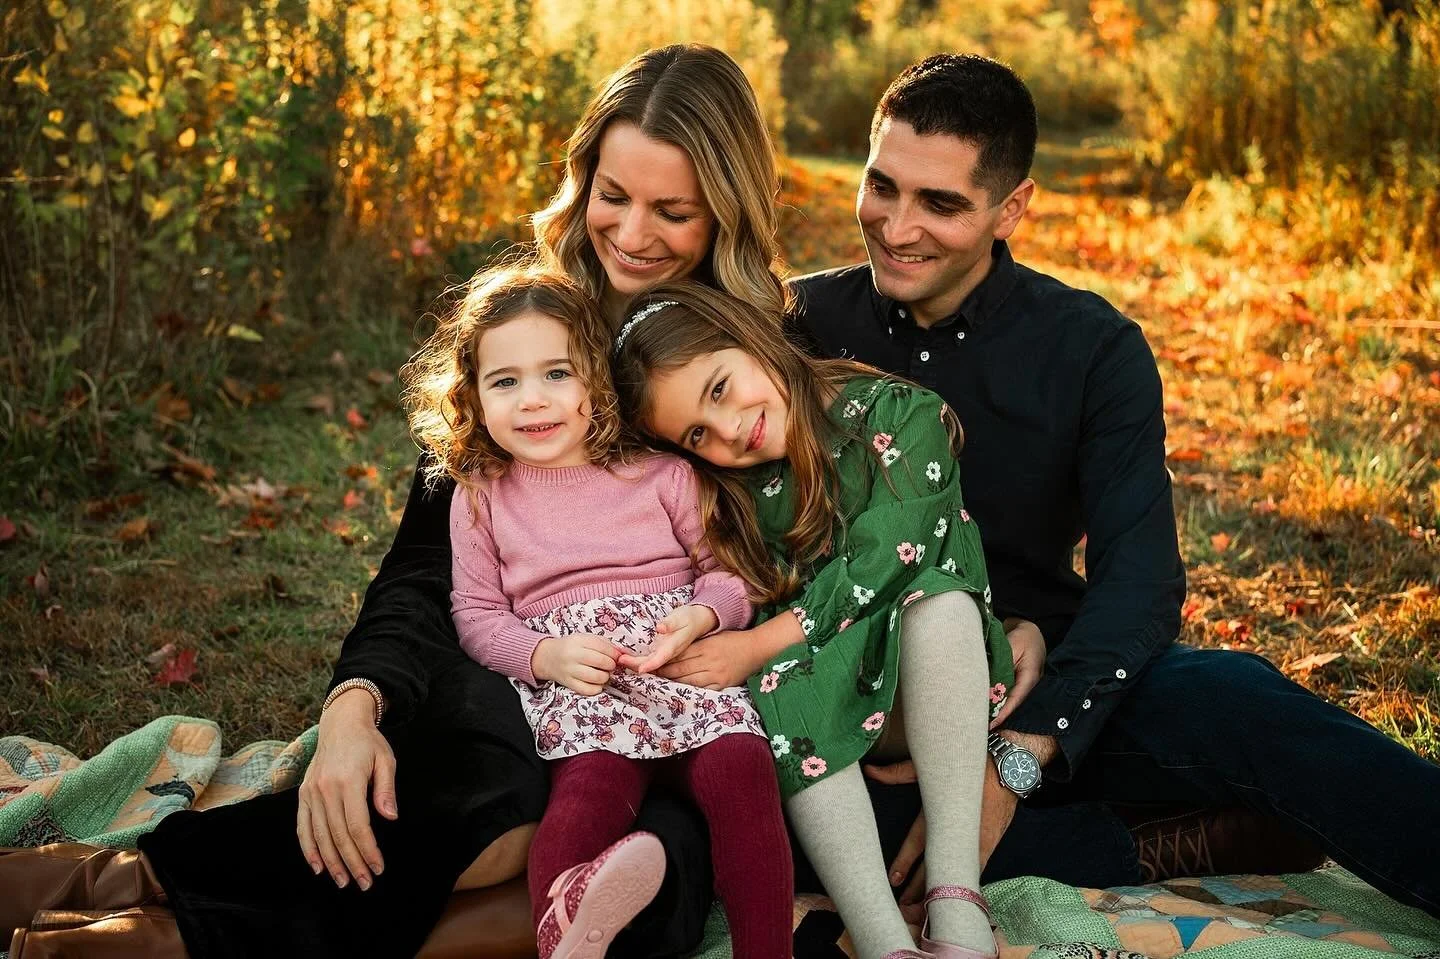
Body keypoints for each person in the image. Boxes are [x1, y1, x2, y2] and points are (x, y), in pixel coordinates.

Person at [3, 43, 814, 958]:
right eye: (611, 195)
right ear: (581, 179)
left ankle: (154, 936)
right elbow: (428, 569)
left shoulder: (752, 362)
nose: (630, 234)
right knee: (483, 803)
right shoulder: (528, 330)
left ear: (730, 212)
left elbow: (849, 530)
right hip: (525, 668)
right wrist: (356, 705)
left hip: (687, 697)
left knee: (654, 869)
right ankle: (112, 890)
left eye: (674, 211)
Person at [782, 53, 1439, 918]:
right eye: (883, 187)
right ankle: (1162, 842)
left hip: (1048, 685)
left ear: (1011, 208)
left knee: (1239, 698)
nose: (897, 226)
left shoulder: (1093, 350)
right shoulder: (793, 328)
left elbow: (1140, 581)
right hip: (853, 703)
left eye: (941, 203)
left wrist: (1019, 752)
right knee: (804, 816)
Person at [612, 281, 1015, 959]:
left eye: (719, 389)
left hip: (935, 689)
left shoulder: (899, 413)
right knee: (776, 682)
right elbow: (738, 587)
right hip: (824, 701)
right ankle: (887, 941)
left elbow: (889, 555)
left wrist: (760, 641)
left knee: (937, 602)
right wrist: (707, 622)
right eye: (697, 435)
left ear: (750, 334)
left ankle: (956, 893)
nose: (730, 428)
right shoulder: (736, 492)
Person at [421, 261, 792, 957]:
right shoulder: (482, 494)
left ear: (598, 376)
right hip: (586, 685)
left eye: (558, 373)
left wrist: (703, 617)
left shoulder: (663, 474)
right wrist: (542, 655)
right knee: (585, 800)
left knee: (742, 773)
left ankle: (768, 948)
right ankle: (566, 929)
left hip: (681, 669)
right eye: (505, 382)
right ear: (472, 393)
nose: (533, 400)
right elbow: (476, 614)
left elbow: (730, 577)